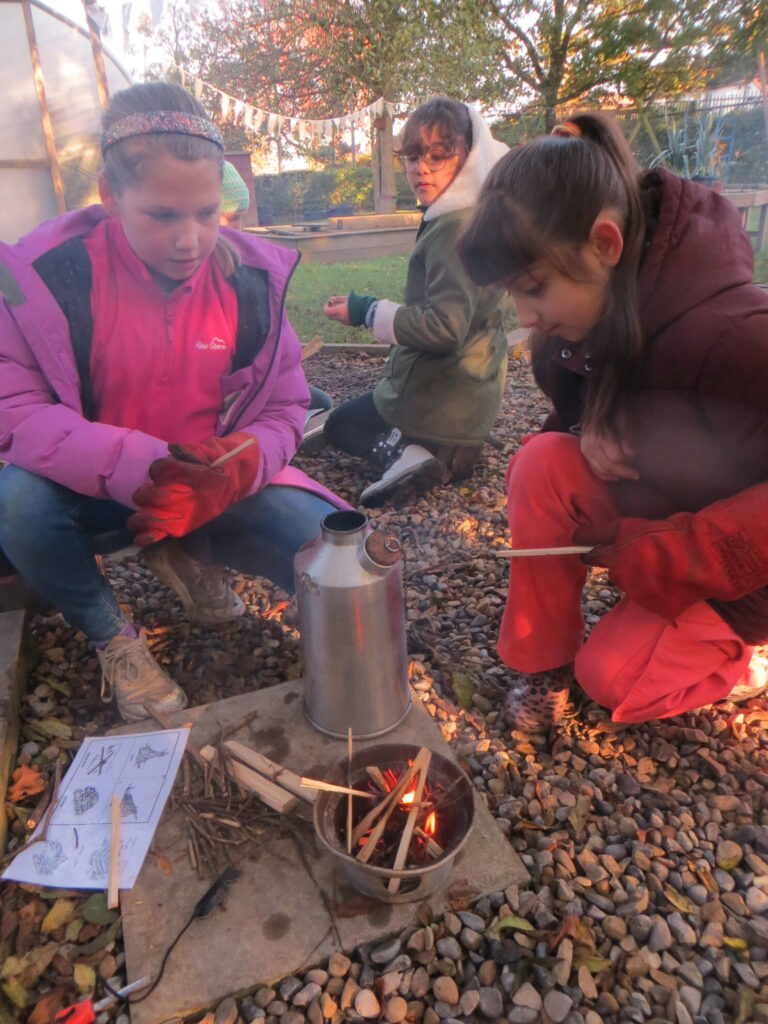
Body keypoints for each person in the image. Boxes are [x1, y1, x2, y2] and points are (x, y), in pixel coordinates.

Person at [0, 82, 345, 722]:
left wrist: (236, 466)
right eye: (163, 216)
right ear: (110, 196)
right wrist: (148, 468)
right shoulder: (45, 274)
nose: (190, 240)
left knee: (325, 543)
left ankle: (185, 547)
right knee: (16, 503)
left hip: (207, 483)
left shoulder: (250, 282)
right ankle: (113, 636)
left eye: (207, 214)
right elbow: (13, 408)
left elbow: (286, 407)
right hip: (91, 489)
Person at [458, 111, 768, 731]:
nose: (527, 317)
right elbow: (570, 446)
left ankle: (751, 660)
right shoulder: (570, 332)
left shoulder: (737, 338)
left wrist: (682, 554)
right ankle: (544, 659)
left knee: (609, 680)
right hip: (662, 532)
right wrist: (582, 430)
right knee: (541, 461)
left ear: (605, 244)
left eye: (534, 288)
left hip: (742, 576)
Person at [321, 97, 509, 506]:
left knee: (339, 426)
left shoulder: (452, 229)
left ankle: (409, 454)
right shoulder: (480, 215)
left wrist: (367, 310)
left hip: (440, 400)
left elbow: (446, 327)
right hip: (469, 400)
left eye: (438, 156)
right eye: (412, 157)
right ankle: (453, 450)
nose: (420, 168)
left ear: (468, 157)